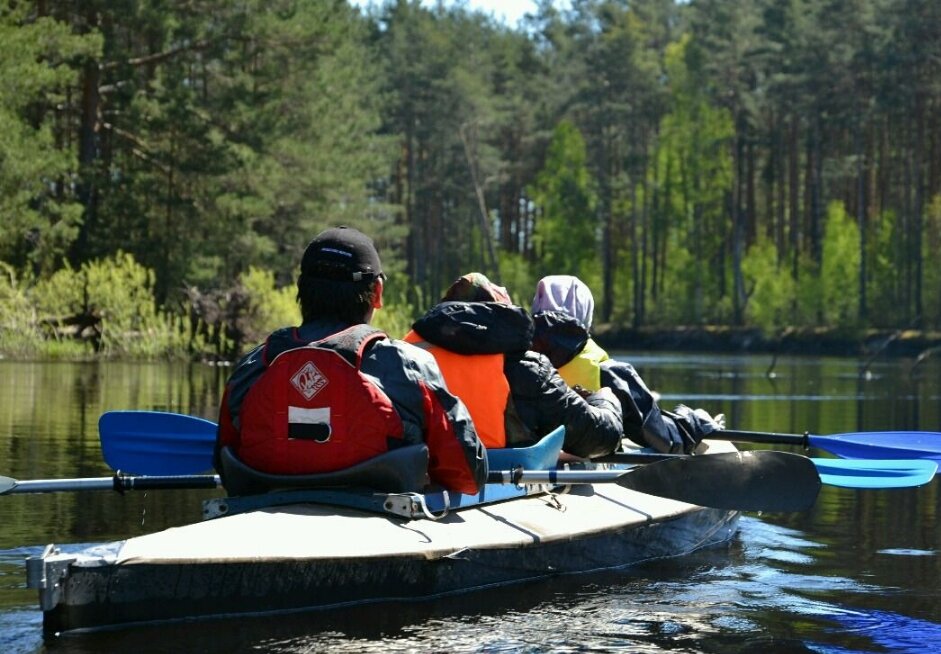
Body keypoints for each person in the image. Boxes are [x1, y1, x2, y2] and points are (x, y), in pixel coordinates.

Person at [214, 226, 488, 495]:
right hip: (380, 520)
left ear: (302, 291)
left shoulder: (250, 368)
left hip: (264, 514)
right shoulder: (410, 365)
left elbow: (226, 466)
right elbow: (467, 476)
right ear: (377, 292)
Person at [403, 272, 623, 459]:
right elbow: (600, 438)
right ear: (504, 315)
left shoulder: (402, 356)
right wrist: (604, 398)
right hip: (500, 479)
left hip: (426, 478)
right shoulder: (528, 369)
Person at [530, 274, 724, 454]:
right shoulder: (611, 373)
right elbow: (663, 438)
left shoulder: (517, 361)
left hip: (529, 460)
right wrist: (696, 423)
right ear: (586, 316)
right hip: (588, 460)